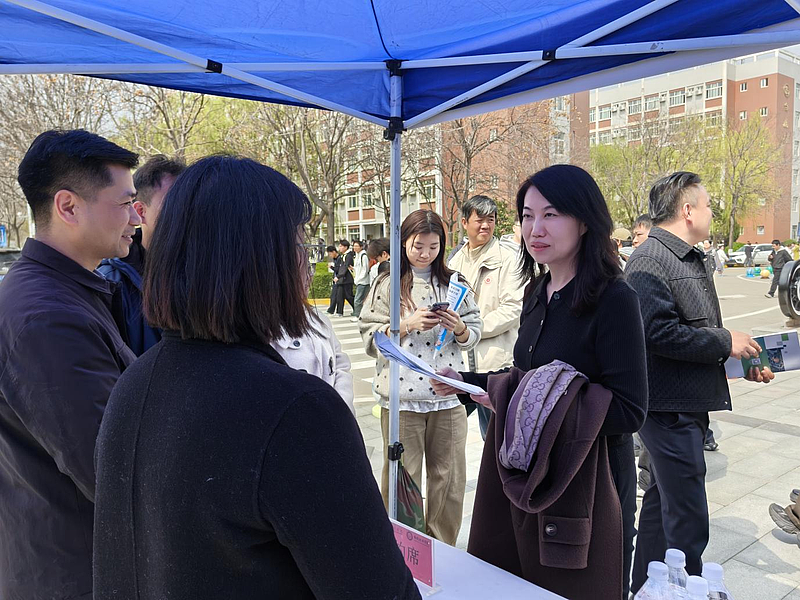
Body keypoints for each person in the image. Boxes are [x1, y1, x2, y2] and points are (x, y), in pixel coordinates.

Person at [93, 155, 420, 600]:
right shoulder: (295, 410)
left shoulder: (134, 382)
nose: (307, 263)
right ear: (263, 263)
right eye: (299, 245)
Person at [432, 164, 647, 599]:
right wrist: (466, 382)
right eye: (527, 216)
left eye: (551, 214)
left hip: (589, 482)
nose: (535, 229)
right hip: (529, 474)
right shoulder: (536, 292)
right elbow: (525, 381)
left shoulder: (614, 299)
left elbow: (629, 410)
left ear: (584, 220)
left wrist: (533, 405)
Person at [0, 129, 140, 600]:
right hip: (78, 573)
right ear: (68, 206)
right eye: (125, 203)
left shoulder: (61, 293)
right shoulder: (47, 317)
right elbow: (111, 472)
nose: (136, 217)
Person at [626, 172, 774, 594]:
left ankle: (645, 587)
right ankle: (684, 588)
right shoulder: (650, 260)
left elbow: (693, 331)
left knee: (661, 506)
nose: (713, 212)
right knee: (688, 519)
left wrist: (737, 360)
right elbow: (657, 334)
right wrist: (726, 341)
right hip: (666, 410)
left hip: (685, 402)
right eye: (708, 205)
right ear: (687, 210)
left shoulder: (688, 257)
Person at [360, 209, 482, 545]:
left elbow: (474, 333)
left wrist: (458, 327)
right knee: (403, 480)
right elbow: (369, 337)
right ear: (403, 244)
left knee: (449, 480)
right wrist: (406, 325)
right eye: (418, 246)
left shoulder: (456, 283)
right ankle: (404, 550)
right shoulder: (387, 284)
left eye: (433, 246)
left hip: (447, 396)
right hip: (402, 400)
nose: (426, 254)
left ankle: (442, 549)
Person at [448, 195, 525, 440]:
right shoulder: (454, 261)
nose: (485, 225)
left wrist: (471, 330)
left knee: (495, 438)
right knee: (450, 436)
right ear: (464, 222)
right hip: (461, 363)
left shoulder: (508, 259)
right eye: (479, 220)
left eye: (490, 220)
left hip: (494, 363)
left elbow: (513, 308)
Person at [98, 155, 185, 355]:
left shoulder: (210, 272)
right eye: (175, 204)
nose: (186, 213)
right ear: (140, 211)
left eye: (191, 203)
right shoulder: (110, 284)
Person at [273, 260, 355, 415]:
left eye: (310, 268)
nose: (310, 276)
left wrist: (341, 409)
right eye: (301, 269)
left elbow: (340, 365)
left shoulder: (318, 318)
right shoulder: (261, 329)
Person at [332, 238, 355, 316]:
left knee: (349, 296)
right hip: (342, 280)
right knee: (340, 296)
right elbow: (341, 267)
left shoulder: (348, 256)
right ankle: (339, 312)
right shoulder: (343, 256)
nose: (339, 248)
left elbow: (345, 267)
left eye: (341, 246)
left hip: (347, 279)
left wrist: (338, 276)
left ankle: (358, 309)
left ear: (345, 247)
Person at [351, 239, 370, 322]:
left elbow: (365, 269)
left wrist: (359, 279)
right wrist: (353, 269)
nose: (354, 248)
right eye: (354, 246)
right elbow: (359, 268)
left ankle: (357, 315)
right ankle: (363, 315)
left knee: (357, 299)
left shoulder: (363, 256)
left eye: (356, 246)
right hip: (360, 281)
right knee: (363, 299)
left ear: (361, 247)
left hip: (363, 281)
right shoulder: (357, 255)